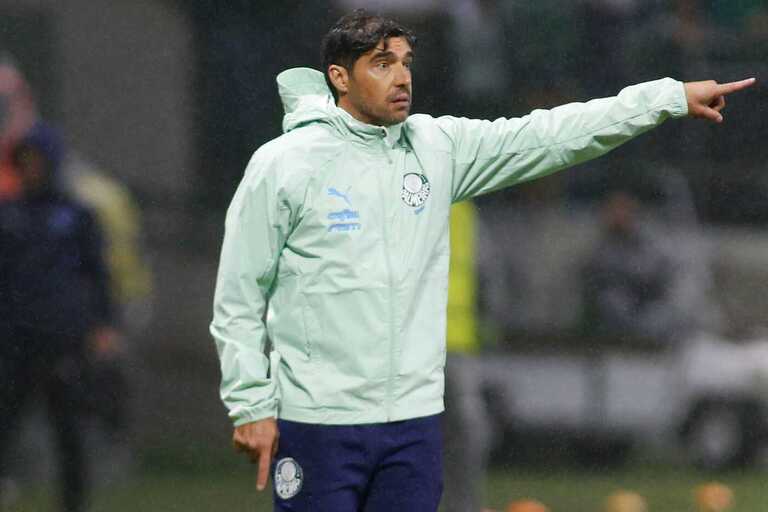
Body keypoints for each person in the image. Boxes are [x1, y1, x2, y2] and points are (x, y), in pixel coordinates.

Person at [209, 9, 755, 511]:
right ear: (339, 77)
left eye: (406, 63)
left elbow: (551, 134)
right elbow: (238, 295)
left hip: (413, 424)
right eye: (382, 64)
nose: (402, 77)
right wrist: (250, 402)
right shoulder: (284, 165)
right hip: (319, 422)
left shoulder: (437, 147)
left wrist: (666, 98)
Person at [0, 122, 116, 512]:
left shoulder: (77, 214)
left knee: (69, 429)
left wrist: (103, 324)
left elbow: (98, 274)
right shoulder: (9, 213)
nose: (30, 168)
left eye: (36, 160)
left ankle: (73, 502)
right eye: (24, 161)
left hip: (64, 341)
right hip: (15, 340)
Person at [442, 200, 494, 512]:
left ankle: (464, 507)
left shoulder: (465, 211)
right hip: (409, 343)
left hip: (458, 343)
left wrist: (488, 323)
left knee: (469, 432)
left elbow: (487, 273)